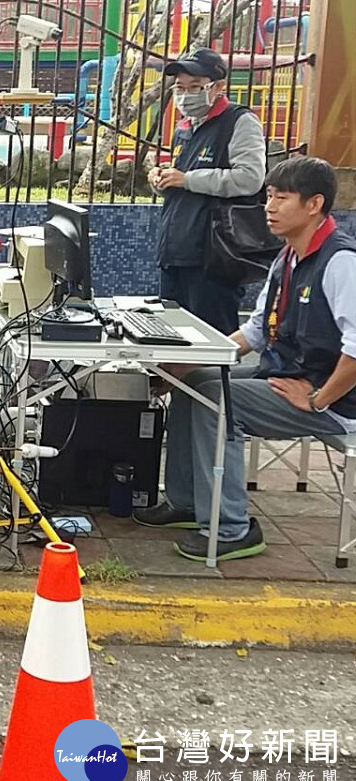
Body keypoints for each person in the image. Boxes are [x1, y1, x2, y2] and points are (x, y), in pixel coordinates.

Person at [134, 156, 353, 562]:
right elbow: (255, 330)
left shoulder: (340, 262)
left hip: (333, 400)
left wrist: (320, 399)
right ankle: (186, 502)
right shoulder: (288, 256)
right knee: (195, 382)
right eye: (268, 197)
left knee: (219, 402)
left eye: (281, 198)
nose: (268, 207)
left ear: (314, 204)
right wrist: (198, 359)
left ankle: (232, 528)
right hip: (288, 375)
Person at [148, 48, 267, 335]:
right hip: (176, 249)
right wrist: (161, 178)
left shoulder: (239, 121)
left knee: (210, 341)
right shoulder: (185, 127)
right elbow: (182, 180)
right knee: (172, 339)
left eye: (195, 87)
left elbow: (251, 178)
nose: (185, 95)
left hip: (213, 256)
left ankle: (212, 383)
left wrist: (187, 179)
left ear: (218, 87)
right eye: (179, 87)